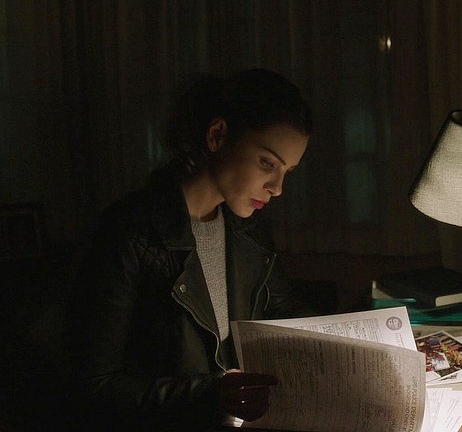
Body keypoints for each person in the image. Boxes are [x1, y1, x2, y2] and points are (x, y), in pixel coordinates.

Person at [70, 68, 315, 430]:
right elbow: (95, 384)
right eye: (267, 163)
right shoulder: (130, 233)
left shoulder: (249, 230)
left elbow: (282, 312)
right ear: (218, 136)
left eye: (287, 172)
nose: (277, 187)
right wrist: (210, 394)